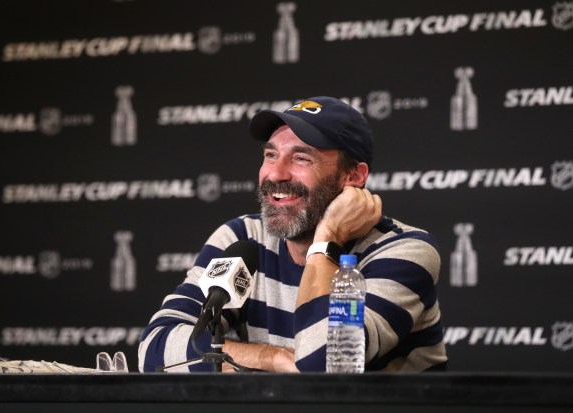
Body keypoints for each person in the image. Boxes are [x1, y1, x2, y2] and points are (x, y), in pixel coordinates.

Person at [138, 96, 448, 373]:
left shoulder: (403, 251)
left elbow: (323, 364)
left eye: (301, 158)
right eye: (271, 155)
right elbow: (155, 348)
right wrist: (273, 358)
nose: (275, 174)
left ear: (353, 176)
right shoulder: (243, 237)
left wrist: (326, 240)